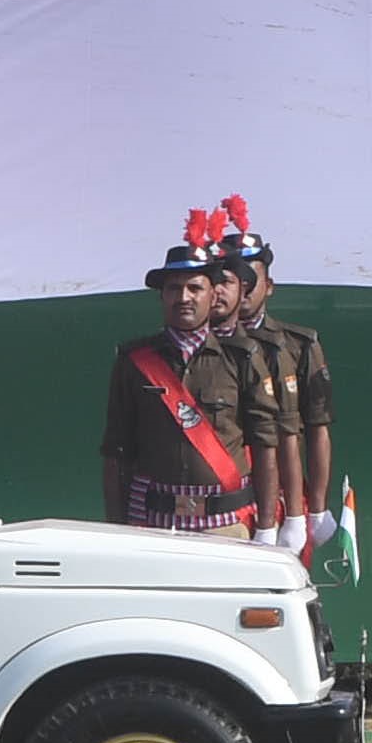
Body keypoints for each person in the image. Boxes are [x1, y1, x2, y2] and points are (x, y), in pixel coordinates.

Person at [103, 214, 280, 536]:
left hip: (225, 523)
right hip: (152, 522)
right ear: (162, 296)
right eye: (174, 289)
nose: (184, 298)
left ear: (213, 296)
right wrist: (117, 530)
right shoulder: (134, 360)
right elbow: (117, 452)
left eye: (195, 288)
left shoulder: (244, 357)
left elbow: (266, 444)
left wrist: (267, 529)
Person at [222, 202, 334, 558]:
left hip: (285, 490)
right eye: (230, 281)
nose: (242, 291)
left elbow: (316, 427)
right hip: (226, 482)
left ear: (268, 286)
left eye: (250, 282)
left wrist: (312, 510)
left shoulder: (297, 344)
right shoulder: (206, 345)